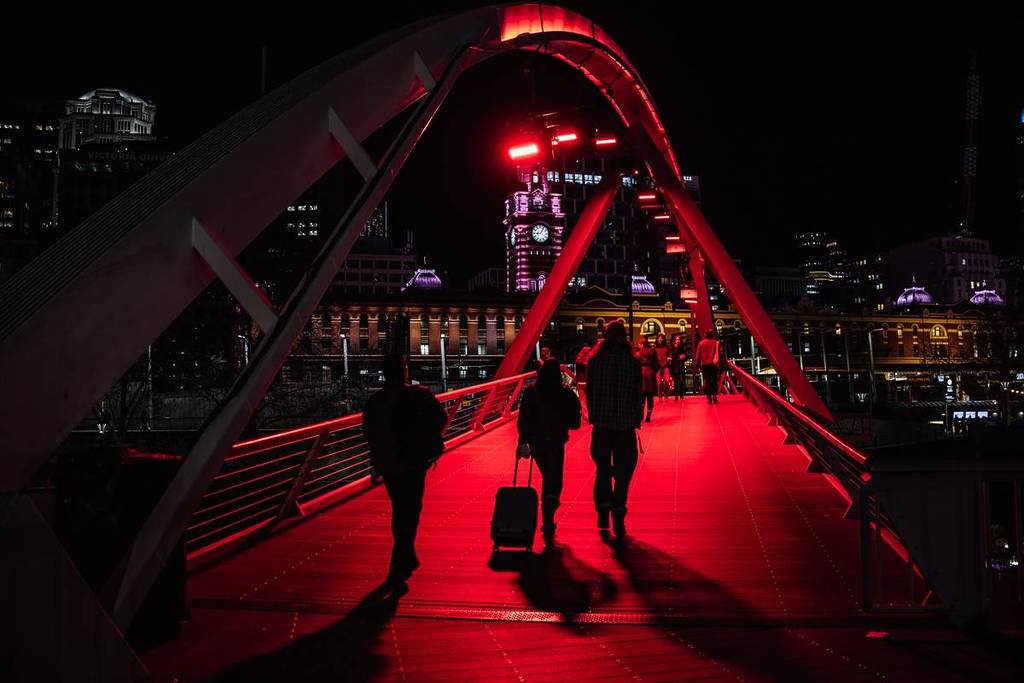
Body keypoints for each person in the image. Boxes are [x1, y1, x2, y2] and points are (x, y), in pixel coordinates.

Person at [363, 353, 447, 589]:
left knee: (400, 507)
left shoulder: (375, 402)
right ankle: (401, 559)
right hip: (414, 460)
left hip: (389, 463)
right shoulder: (420, 395)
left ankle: (404, 556)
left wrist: (378, 460)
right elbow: (440, 419)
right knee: (410, 508)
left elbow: (369, 433)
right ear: (405, 371)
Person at [516, 359, 582, 545]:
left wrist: (522, 441)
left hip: (536, 442)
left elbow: (523, 420)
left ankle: (548, 511)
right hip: (556, 440)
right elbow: (575, 422)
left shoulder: (531, 394)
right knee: (554, 478)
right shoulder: (565, 395)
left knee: (548, 475)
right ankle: (548, 512)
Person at [586, 320, 643, 539]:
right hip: (626, 425)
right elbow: (638, 394)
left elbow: (590, 393)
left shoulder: (595, 362)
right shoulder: (633, 363)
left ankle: (602, 507)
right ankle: (618, 510)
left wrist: (594, 414)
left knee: (602, 468)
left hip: (601, 424)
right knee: (623, 472)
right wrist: (637, 418)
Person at [694, 330, 722, 404]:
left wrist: (697, 365)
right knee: (714, 380)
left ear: (705, 335)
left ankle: (709, 397)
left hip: (705, 365)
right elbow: (720, 353)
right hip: (714, 365)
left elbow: (697, 356)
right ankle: (714, 395)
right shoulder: (716, 343)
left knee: (707, 380)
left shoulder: (701, 343)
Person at [636, 338, 657, 422]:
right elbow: (656, 363)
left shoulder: (638, 354)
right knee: (650, 396)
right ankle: (648, 415)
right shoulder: (652, 352)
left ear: (642, 344)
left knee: (641, 397)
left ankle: (640, 416)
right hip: (650, 374)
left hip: (641, 374)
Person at [653, 334, 671, 402]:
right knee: (659, 382)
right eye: (659, 338)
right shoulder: (655, 348)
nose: (660, 339)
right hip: (658, 367)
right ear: (657, 339)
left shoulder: (667, 347)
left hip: (666, 366)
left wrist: (669, 358)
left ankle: (666, 395)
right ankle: (660, 395)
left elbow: (669, 354)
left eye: (662, 338)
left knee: (667, 381)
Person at [670, 335, 687, 401]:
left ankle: (681, 396)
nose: (677, 341)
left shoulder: (682, 347)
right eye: (676, 339)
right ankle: (676, 396)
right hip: (674, 366)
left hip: (680, 365)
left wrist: (682, 357)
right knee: (676, 382)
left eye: (678, 339)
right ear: (674, 341)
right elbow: (671, 356)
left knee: (681, 381)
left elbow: (685, 356)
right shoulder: (672, 348)